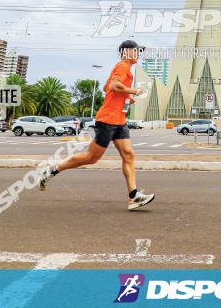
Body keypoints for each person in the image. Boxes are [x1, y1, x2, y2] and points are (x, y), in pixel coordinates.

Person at [39, 40, 155, 210]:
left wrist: (127, 98)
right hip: (108, 120)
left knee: (128, 155)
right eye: (136, 51)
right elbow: (115, 86)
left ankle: (133, 196)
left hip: (119, 121)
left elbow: (106, 87)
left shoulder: (125, 70)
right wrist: (133, 91)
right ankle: (52, 171)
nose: (139, 54)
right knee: (91, 157)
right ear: (126, 52)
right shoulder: (122, 66)